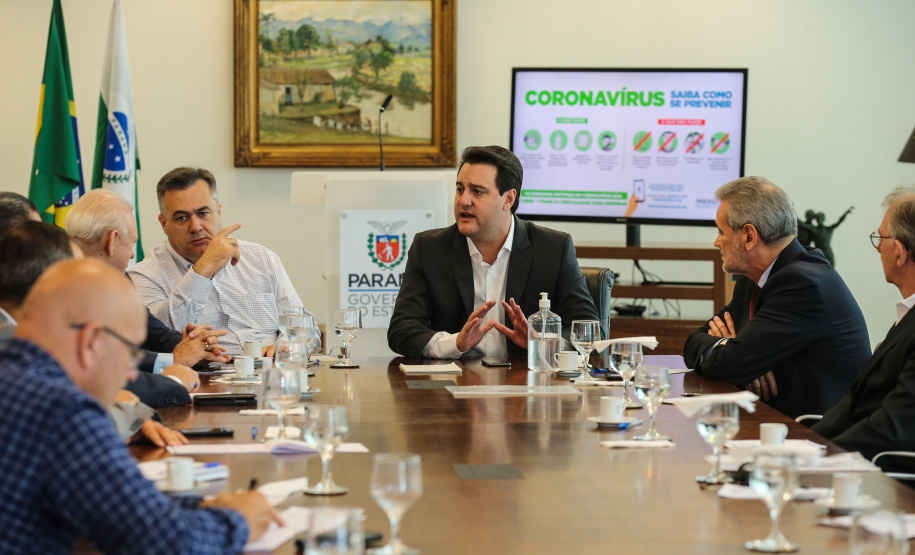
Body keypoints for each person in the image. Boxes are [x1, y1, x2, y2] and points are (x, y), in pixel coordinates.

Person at [0, 259, 277, 553]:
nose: (132, 374)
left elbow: (110, 499)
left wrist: (201, 505)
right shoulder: (63, 412)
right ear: (92, 340)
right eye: (132, 354)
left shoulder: (16, 379)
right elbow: (162, 543)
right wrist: (239, 520)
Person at [683, 176, 870, 418]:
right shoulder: (751, 279)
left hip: (818, 436)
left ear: (749, 236)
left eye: (721, 232)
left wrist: (741, 357)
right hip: (773, 420)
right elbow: (692, 342)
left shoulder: (802, 284)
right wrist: (740, 352)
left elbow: (730, 363)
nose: (716, 242)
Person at [387, 145, 599, 359]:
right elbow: (402, 329)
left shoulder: (553, 248)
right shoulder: (429, 248)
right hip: (455, 383)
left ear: (508, 199)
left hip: (526, 384)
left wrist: (540, 342)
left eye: (477, 191)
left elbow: (590, 332)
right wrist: (455, 343)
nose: (464, 201)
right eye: (460, 189)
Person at [0, 221, 186, 445]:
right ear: (48, 285)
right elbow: (67, 416)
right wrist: (125, 411)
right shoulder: (14, 340)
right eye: (77, 279)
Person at [128, 167, 307, 357]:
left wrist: (285, 349)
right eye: (182, 218)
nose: (196, 227)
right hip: (203, 381)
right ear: (163, 223)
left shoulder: (261, 258)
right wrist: (203, 269)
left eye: (203, 213)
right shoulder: (143, 276)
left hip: (273, 373)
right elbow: (159, 340)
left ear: (219, 211)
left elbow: (301, 324)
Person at [66, 189, 231, 378]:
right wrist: (174, 361)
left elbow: (150, 329)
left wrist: (191, 344)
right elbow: (107, 357)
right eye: (131, 243)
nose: (132, 255)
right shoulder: (65, 285)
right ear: (112, 241)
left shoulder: (117, 279)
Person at [811, 187, 915, 465]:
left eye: (881, 238)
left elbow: (893, 427)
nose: (878, 246)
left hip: (890, 484)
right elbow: (856, 403)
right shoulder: (907, 315)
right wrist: (803, 445)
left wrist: (815, 456)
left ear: (901, 253)